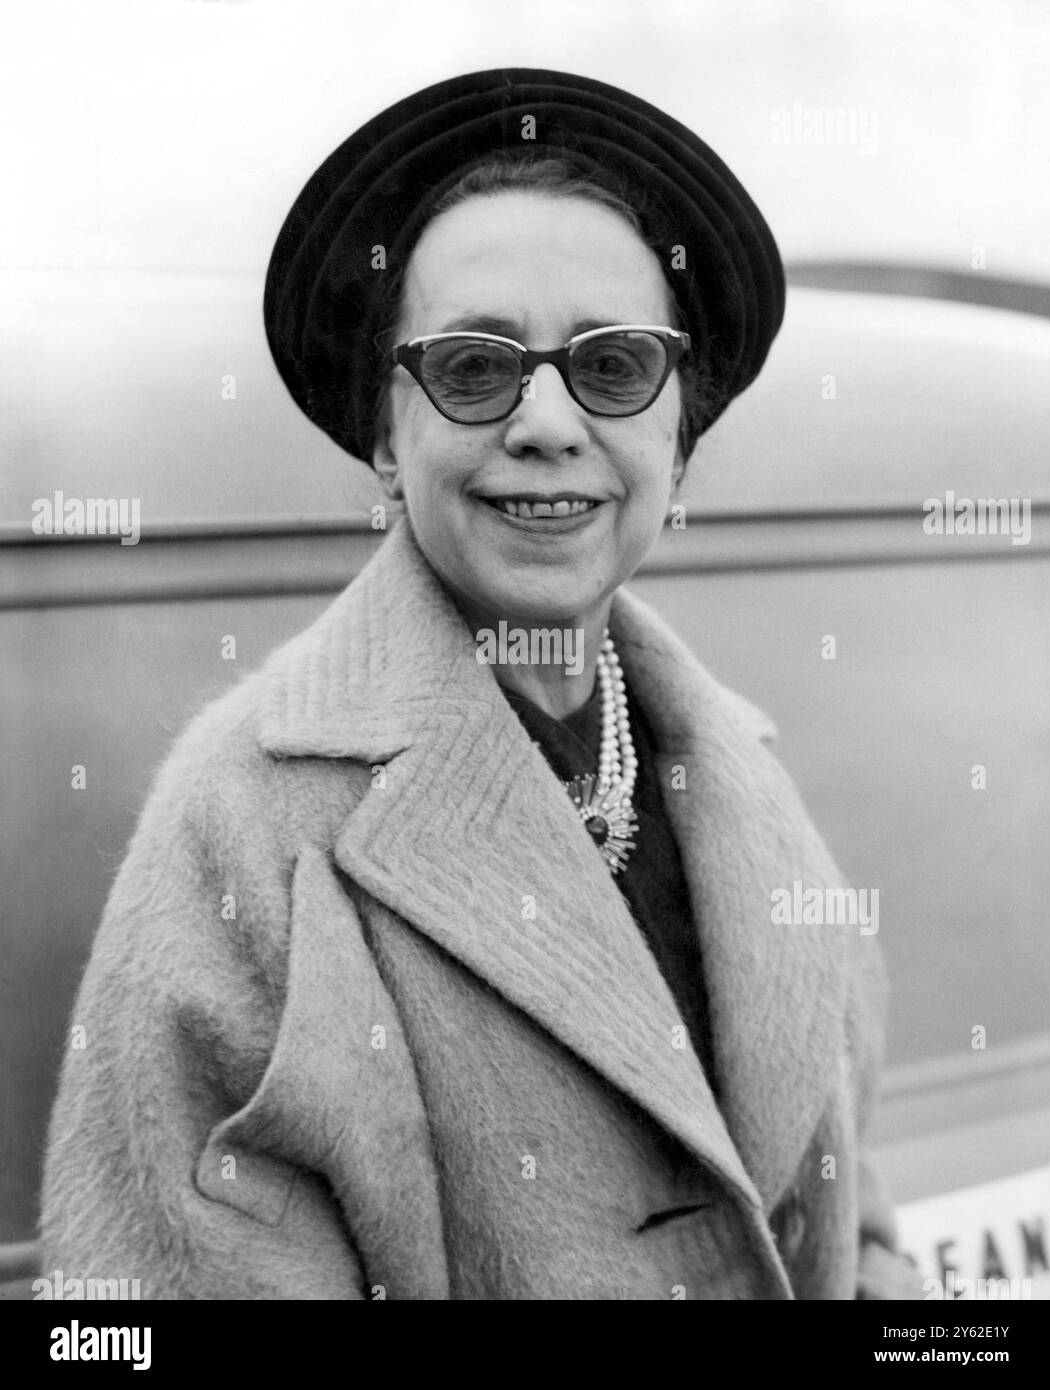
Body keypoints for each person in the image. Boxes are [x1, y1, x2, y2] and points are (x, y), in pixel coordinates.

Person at [40, 68, 922, 1299]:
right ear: (387, 442)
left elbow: (852, 1197)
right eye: (473, 366)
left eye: (614, 367)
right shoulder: (244, 825)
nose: (549, 421)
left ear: (682, 445)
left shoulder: (738, 768)